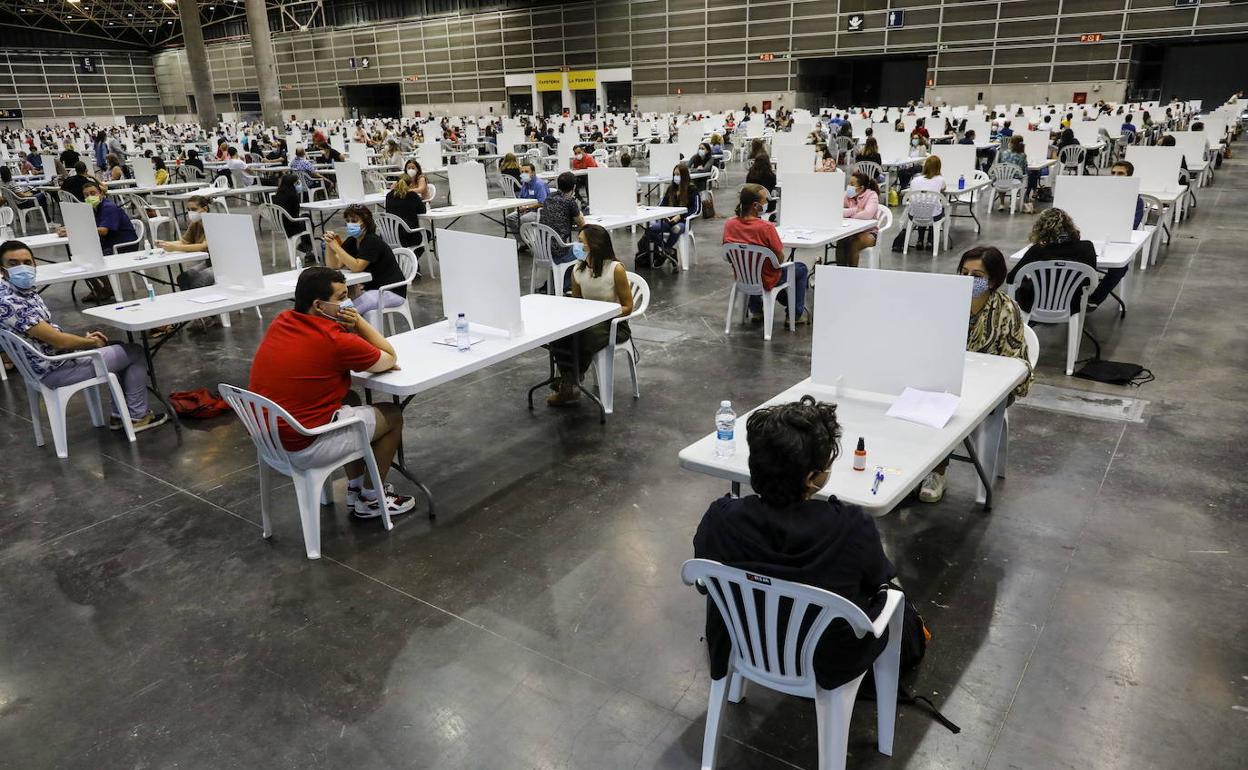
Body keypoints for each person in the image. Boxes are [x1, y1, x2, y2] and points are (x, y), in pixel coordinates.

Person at [692, 395, 895, 691]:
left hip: (745, 642)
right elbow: (877, 583)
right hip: (826, 663)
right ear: (813, 478)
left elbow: (703, 583)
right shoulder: (850, 528)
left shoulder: (721, 520)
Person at [247, 266, 414, 519]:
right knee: (392, 416)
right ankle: (371, 498)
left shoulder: (282, 320)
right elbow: (389, 358)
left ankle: (355, 488)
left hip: (269, 437)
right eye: (341, 298)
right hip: (304, 443)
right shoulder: (334, 339)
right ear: (319, 305)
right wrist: (358, 323)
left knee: (350, 399)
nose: (348, 303)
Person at [0, 239, 167, 432]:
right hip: (54, 369)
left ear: (35, 265)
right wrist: (89, 343)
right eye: (13, 264)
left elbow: (49, 334)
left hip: (46, 362)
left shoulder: (17, 292)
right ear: (2, 269)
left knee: (118, 347)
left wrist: (84, 342)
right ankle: (137, 417)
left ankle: (121, 415)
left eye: (27, 263)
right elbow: (59, 342)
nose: (22, 268)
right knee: (135, 352)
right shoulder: (11, 303)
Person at [919, 247, 1032, 503]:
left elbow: (1014, 361)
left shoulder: (1006, 309)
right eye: (964, 272)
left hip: (994, 387)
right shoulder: (947, 302)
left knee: (948, 409)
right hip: (949, 377)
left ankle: (937, 473)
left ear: (992, 280)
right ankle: (914, 466)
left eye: (976, 275)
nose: (968, 279)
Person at [545, 224, 634, 406]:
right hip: (587, 322)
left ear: (594, 245)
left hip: (614, 324)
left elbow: (628, 306)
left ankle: (569, 384)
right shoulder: (578, 270)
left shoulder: (615, 269)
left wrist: (607, 314)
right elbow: (578, 303)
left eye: (580, 242)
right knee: (559, 336)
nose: (576, 247)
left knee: (585, 336)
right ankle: (570, 381)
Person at [722, 184, 808, 324]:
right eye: (765, 200)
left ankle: (756, 310)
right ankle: (795, 314)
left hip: (742, 276)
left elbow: (728, 255)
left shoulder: (729, 225)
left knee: (751, 266)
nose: (768, 203)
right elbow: (780, 258)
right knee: (801, 268)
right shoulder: (766, 228)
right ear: (756, 205)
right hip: (768, 279)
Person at [322, 204, 408, 324]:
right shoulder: (352, 241)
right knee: (339, 306)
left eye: (354, 221)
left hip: (389, 291)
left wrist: (336, 247)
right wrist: (329, 246)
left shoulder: (372, 241)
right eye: (348, 221)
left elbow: (357, 267)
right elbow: (334, 266)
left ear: (366, 222)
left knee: (345, 312)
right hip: (369, 290)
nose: (350, 224)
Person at [1006, 207, 1097, 314]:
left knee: (1025, 286)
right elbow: (1089, 281)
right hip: (1072, 304)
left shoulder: (1037, 250)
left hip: (1035, 304)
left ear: (1041, 229)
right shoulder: (1087, 247)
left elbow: (1012, 277)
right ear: (1070, 226)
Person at [537, 171, 585, 292]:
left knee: (573, 248)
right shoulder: (569, 202)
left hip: (541, 249)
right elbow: (582, 225)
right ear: (574, 187)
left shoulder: (549, 198)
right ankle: (565, 284)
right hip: (558, 252)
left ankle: (553, 284)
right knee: (584, 250)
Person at [642, 164, 698, 263]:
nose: (676, 177)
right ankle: (669, 251)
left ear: (684, 176)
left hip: (683, 223)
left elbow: (696, 209)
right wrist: (663, 216)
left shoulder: (692, 189)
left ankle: (665, 252)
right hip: (668, 221)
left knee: (676, 229)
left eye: (678, 174)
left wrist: (681, 216)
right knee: (650, 230)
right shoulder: (670, 189)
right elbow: (661, 205)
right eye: (674, 174)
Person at [156, 195, 213, 290]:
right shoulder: (195, 223)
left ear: (205, 209)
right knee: (183, 278)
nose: (191, 212)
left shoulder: (213, 223)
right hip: (209, 262)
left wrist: (174, 248)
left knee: (198, 281)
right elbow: (184, 242)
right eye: (189, 209)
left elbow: (203, 246)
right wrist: (165, 244)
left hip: (222, 265)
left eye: (194, 209)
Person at [894, 155, 945, 252]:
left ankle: (920, 240)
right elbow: (943, 189)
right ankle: (930, 241)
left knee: (922, 208)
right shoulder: (940, 179)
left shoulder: (915, 180)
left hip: (915, 214)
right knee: (934, 209)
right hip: (932, 216)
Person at [838, 171, 880, 268]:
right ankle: (840, 269)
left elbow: (867, 214)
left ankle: (853, 272)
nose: (849, 186)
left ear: (861, 188)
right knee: (841, 241)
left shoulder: (871, 195)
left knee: (854, 243)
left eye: (852, 184)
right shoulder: (848, 196)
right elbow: (839, 212)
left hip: (870, 233)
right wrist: (856, 210)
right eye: (849, 183)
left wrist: (848, 214)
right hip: (850, 231)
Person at [384, 162, 428, 252]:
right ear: (409, 183)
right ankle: (413, 260)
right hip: (408, 236)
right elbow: (423, 211)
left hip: (390, 235)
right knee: (427, 234)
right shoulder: (412, 195)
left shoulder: (389, 195)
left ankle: (407, 260)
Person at [273, 173, 316, 265]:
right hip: (290, 225)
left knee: (305, 218)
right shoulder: (292, 196)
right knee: (307, 220)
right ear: (292, 184)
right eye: (297, 183)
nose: (299, 185)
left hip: (278, 224)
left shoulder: (277, 195)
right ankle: (307, 249)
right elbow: (295, 214)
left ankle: (305, 246)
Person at [994, 135, 1029, 212]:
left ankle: (1002, 204)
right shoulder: (1023, 155)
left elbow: (999, 164)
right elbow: (1023, 168)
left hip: (1002, 179)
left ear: (1011, 143)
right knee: (1020, 180)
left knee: (1003, 179)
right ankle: (1012, 203)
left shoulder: (1004, 152)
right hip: (1015, 180)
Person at [511, 160, 548, 232]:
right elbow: (520, 198)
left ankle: (527, 239)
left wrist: (527, 207)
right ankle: (522, 241)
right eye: (522, 172)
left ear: (533, 173)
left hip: (538, 211)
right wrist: (520, 206)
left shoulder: (539, 184)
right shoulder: (525, 183)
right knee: (510, 218)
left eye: (526, 172)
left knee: (523, 219)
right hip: (526, 210)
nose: (523, 174)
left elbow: (542, 203)